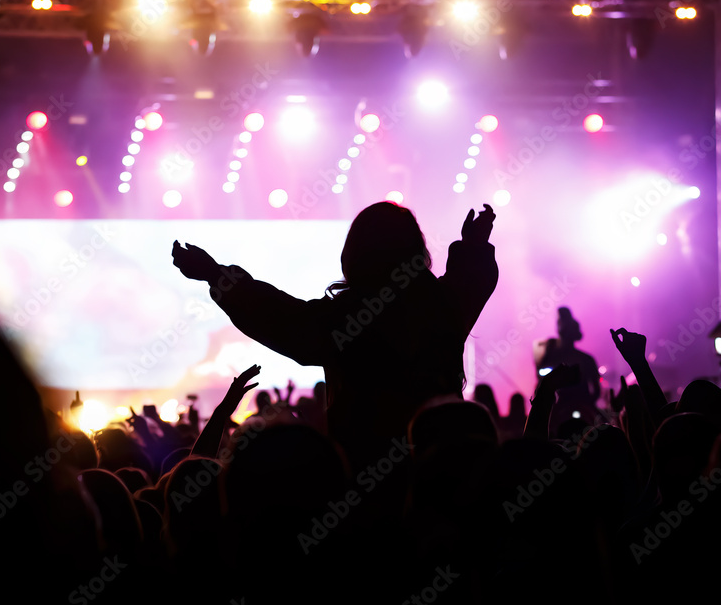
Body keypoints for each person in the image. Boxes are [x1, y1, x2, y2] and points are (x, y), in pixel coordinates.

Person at [171, 201, 498, 469]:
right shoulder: (440, 304)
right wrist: (474, 247)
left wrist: (216, 275)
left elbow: (286, 321)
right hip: (445, 468)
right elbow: (469, 283)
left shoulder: (355, 315)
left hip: (368, 476)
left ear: (357, 252)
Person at [535, 307, 601, 426]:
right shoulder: (586, 359)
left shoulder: (585, 359)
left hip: (573, 410)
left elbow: (596, 390)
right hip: (568, 410)